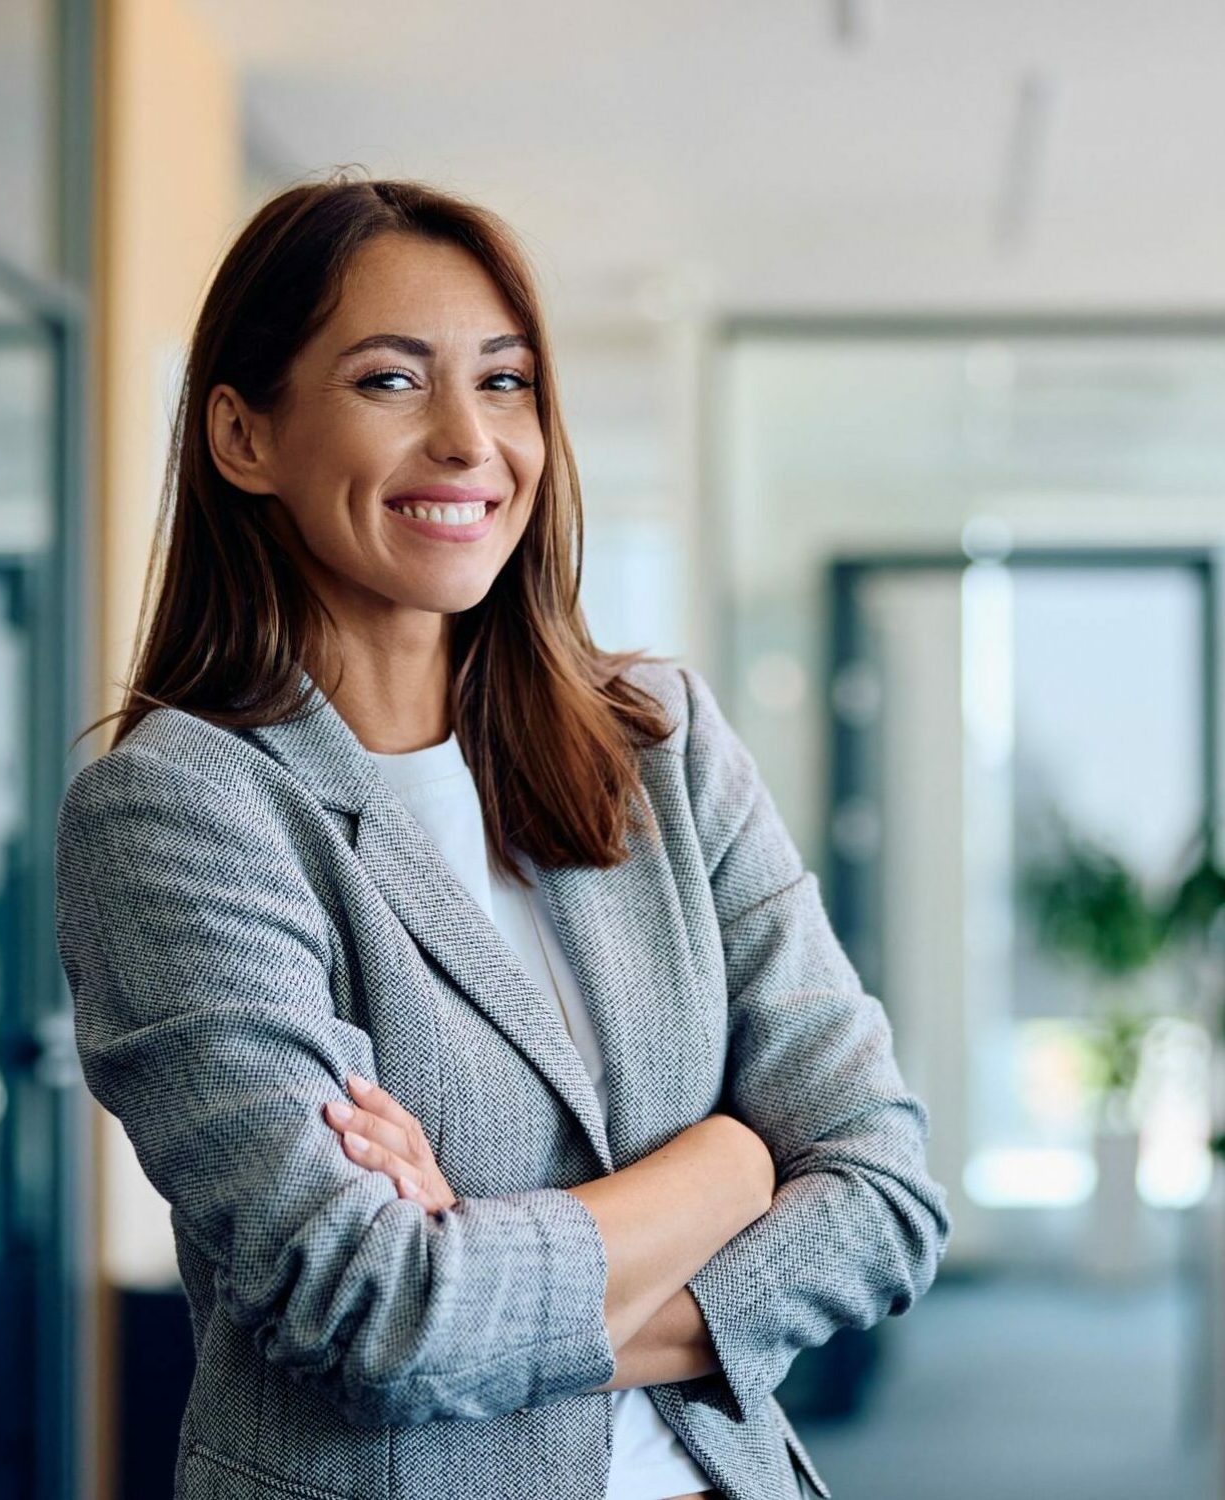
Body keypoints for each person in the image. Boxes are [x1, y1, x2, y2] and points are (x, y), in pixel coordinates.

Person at [54, 172, 951, 1500]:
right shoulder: (184, 810)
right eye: (389, 382)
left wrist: (488, 1280)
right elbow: (379, 1317)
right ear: (245, 437)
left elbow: (883, 1189)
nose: (470, 442)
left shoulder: (660, 744)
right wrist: (735, 1161)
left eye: (508, 381)